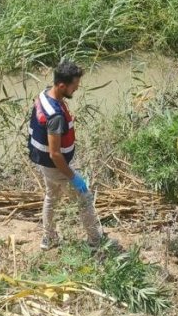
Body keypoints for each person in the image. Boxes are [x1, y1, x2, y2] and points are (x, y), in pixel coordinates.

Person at [28, 61, 117, 250]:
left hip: (44, 164)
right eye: (74, 86)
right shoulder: (55, 117)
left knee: (51, 196)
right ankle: (95, 241)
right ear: (62, 85)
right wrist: (73, 177)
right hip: (56, 167)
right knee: (84, 198)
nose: (75, 90)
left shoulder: (45, 94)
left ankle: (49, 237)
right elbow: (55, 153)